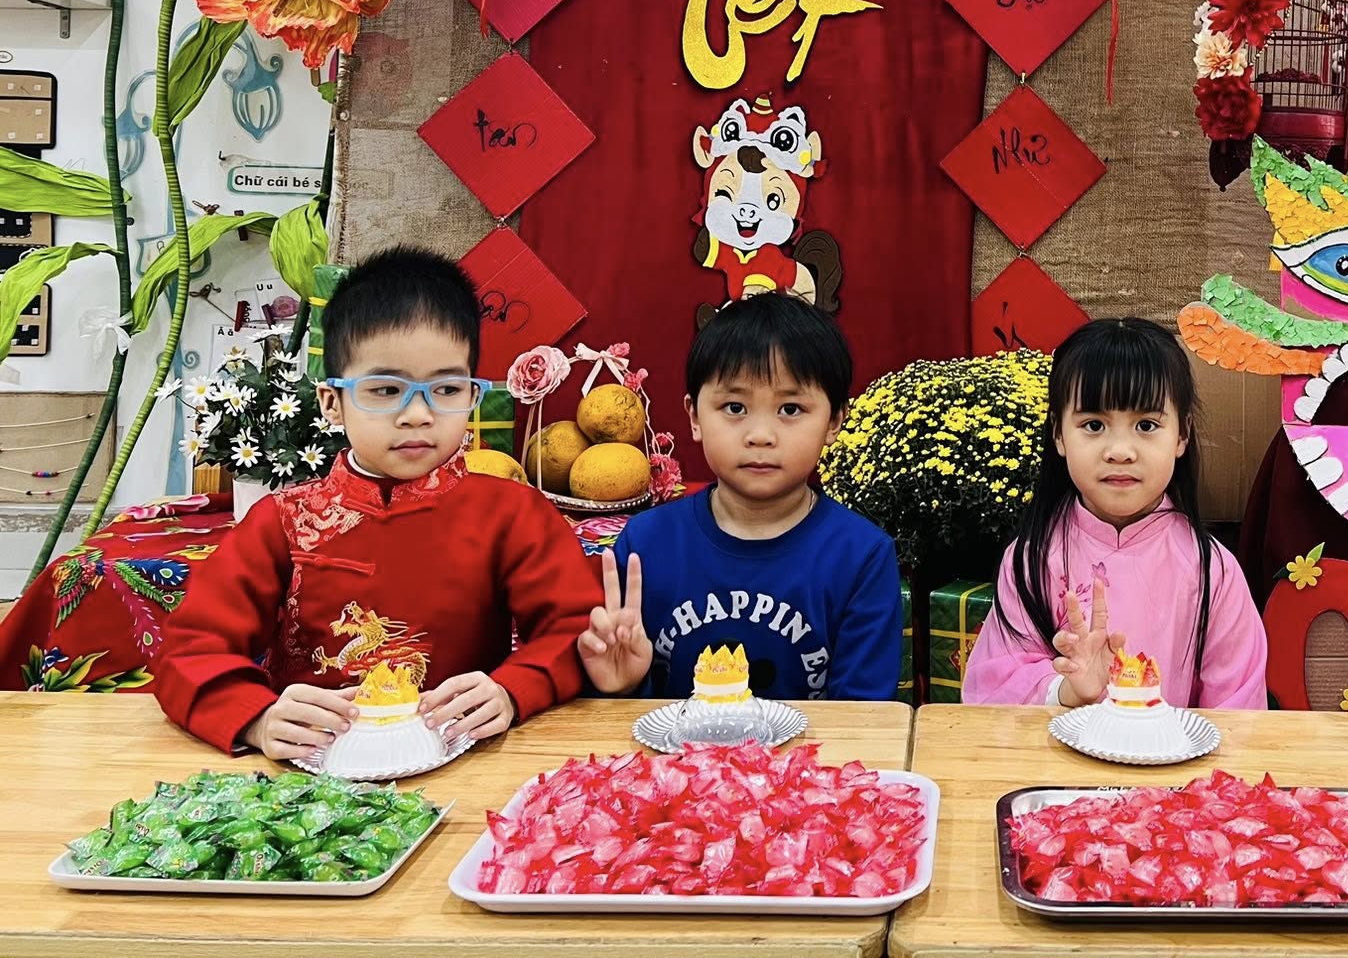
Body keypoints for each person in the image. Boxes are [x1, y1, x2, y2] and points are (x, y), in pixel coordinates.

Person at [157, 248, 599, 758]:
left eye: (447, 388)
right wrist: (256, 718)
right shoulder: (281, 521)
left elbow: (576, 630)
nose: (418, 414)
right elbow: (189, 650)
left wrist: (512, 690)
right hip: (311, 768)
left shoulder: (513, 514)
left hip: (463, 758)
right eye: (387, 390)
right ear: (332, 402)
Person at [578, 293, 900, 700]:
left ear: (835, 420)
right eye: (734, 407)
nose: (760, 435)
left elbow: (865, 718)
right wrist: (624, 686)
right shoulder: (646, 544)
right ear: (694, 416)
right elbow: (620, 706)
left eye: (790, 409)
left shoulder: (862, 555)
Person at [964, 318, 1268, 709]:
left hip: (1175, 751)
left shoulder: (1213, 570)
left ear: (1182, 434)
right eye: (1094, 425)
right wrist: (1067, 690)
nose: (1120, 451)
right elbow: (992, 690)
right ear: (1058, 434)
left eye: (1146, 425)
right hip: (1055, 750)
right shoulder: (1032, 559)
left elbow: (1239, 716)